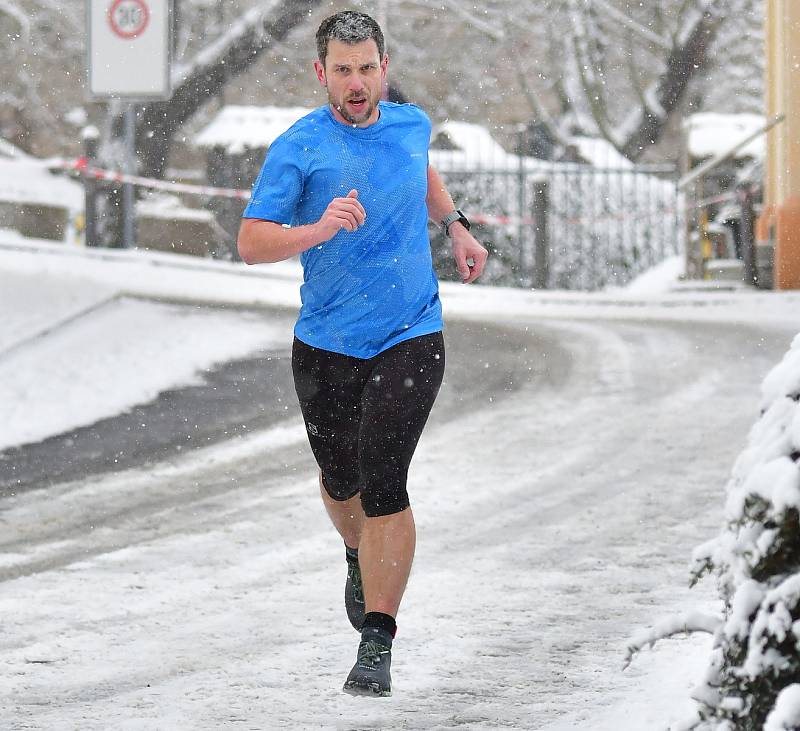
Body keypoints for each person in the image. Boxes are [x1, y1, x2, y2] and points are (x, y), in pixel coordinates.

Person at [237, 9, 488, 697]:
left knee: (384, 477)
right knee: (340, 478)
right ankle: (356, 551)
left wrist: (457, 226)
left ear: (385, 67)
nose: (356, 82)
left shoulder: (409, 124)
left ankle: (377, 637)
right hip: (326, 342)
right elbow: (252, 241)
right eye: (342, 70)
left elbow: (423, 174)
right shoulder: (298, 147)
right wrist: (317, 227)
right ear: (322, 73)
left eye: (366, 68)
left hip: (411, 330)